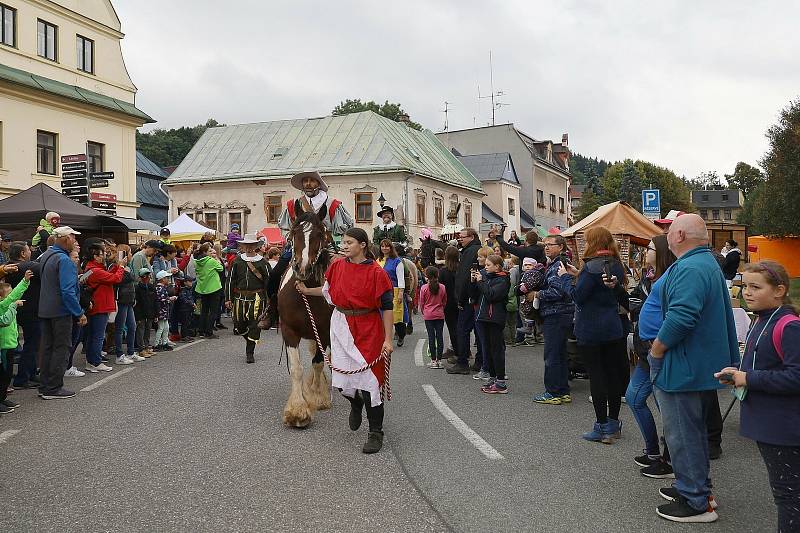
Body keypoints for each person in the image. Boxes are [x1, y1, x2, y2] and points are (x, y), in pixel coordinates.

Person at [648, 213, 738, 523]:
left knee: (683, 434)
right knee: (693, 432)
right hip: (696, 363)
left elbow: (683, 316)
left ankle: (695, 500)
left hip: (683, 363)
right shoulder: (706, 263)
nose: (666, 236)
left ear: (681, 236)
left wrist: (657, 349)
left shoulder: (689, 267)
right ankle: (697, 488)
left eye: (669, 231)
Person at [715, 260, 800, 531]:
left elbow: (796, 376)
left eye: (756, 287)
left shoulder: (788, 326)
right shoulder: (762, 320)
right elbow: (765, 365)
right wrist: (738, 372)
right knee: (786, 492)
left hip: (783, 427)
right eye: (745, 286)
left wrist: (748, 378)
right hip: (769, 424)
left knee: (789, 495)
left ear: (779, 290)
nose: (747, 292)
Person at [295, 227, 393, 454]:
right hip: (340, 326)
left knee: (370, 383)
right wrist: (307, 291)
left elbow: (387, 307)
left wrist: (388, 339)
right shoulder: (337, 266)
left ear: (363, 245)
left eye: (350, 242)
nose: (345, 245)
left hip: (368, 328)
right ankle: (355, 402)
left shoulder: (377, 273)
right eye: (344, 242)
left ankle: (375, 432)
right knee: (342, 383)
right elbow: (329, 291)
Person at [558, 226, 629, 442]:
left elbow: (578, 296)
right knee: (613, 375)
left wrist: (564, 278)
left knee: (597, 377)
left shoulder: (590, 267)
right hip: (613, 327)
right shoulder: (616, 264)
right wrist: (577, 274)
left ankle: (602, 427)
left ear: (593, 242)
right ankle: (614, 423)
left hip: (590, 328)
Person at [263, 171, 355, 329]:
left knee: (345, 273)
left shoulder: (332, 204)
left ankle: (351, 308)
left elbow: (342, 230)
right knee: (275, 274)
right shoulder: (293, 205)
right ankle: (272, 310)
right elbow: (285, 228)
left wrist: (338, 249)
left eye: (312, 181)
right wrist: (293, 240)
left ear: (319, 184)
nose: (308, 184)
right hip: (298, 247)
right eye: (305, 181)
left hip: (327, 248)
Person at [626, 234, 677, 476]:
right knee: (634, 399)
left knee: (667, 410)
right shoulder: (647, 278)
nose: (645, 253)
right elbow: (633, 302)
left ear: (662, 252)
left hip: (659, 353)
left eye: (649, 249)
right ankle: (653, 451)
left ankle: (670, 460)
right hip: (645, 352)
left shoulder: (670, 279)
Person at [37, 226, 86, 399]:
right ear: (65, 238)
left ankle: (44, 385)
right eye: (73, 237)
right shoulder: (64, 260)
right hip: (60, 311)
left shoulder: (47, 255)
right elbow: (67, 290)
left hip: (45, 309)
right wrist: (79, 312)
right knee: (61, 348)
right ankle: (53, 388)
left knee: (48, 348)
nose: (74, 241)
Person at [532, 234, 574, 405]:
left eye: (550, 244)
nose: (546, 247)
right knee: (560, 353)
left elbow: (557, 292)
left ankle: (553, 392)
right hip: (561, 314)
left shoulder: (558, 265)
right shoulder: (558, 263)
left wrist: (537, 294)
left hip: (556, 314)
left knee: (552, 354)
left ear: (561, 247)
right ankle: (563, 390)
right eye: (545, 245)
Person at [225, 234, 269, 363]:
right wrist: (228, 298)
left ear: (256, 246)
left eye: (251, 245)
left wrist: (269, 299)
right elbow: (230, 280)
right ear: (243, 246)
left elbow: (268, 281)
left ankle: (250, 352)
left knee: (255, 326)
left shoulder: (263, 262)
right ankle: (249, 339)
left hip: (257, 298)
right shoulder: (237, 261)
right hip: (239, 297)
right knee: (239, 326)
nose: (249, 248)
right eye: (246, 246)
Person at [4, 242, 43, 389]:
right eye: (28, 250)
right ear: (22, 254)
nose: (30, 252)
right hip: (30, 311)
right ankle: (22, 378)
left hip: (20, 310)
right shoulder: (26, 266)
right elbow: (43, 267)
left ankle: (31, 374)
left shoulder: (9, 267)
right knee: (31, 345)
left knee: (31, 344)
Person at [472, 254, 511, 394]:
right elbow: (478, 294)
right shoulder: (488, 277)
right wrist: (474, 282)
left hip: (494, 318)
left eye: (488, 265)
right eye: (485, 265)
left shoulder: (503, 279)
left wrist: (481, 282)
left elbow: (492, 295)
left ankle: (501, 382)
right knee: (487, 349)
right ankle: (493, 377)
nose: (485, 267)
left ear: (497, 266)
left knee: (496, 350)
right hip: (483, 317)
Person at [84, 243, 125, 371]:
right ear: (95, 256)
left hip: (98, 304)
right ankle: (95, 362)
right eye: (102, 254)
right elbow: (115, 278)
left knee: (93, 335)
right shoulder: (95, 270)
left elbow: (107, 276)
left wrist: (117, 266)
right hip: (100, 305)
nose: (104, 256)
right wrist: (121, 267)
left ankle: (92, 361)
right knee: (98, 335)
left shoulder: (92, 268)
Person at [446, 228, 482, 375]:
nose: (460, 239)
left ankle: (462, 362)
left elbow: (463, 278)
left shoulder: (469, 252)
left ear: (472, 237)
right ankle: (480, 361)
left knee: (462, 330)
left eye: (462, 237)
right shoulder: (476, 249)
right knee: (478, 332)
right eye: (459, 237)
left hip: (468, 298)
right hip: (476, 297)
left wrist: (460, 298)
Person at [0, 271, 31, 412]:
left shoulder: (7, 303)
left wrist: (24, 281)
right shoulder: (3, 306)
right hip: (4, 346)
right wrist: (14, 305)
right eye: (9, 291)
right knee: (3, 375)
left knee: (7, 375)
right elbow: (13, 299)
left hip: (10, 344)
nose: (12, 294)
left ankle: (3, 398)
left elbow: (15, 295)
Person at [113, 248, 143, 363]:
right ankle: (119, 354)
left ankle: (130, 352)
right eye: (129, 253)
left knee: (132, 326)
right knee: (120, 328)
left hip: (129, 299)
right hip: (121, 300)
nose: (131, 255)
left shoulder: (128, 267)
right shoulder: (116, 267)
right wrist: (121, 266)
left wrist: (133, 297)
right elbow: (118, 281)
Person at [378, 239, 408, 347]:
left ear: (391, 248)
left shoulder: (397, 261)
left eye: (387, 246)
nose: (384, 248)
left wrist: (400, 292)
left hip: (394, 290)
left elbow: (401, 278)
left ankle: (401, 335)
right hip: (381, 291)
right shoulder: (378, 261)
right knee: (381, 315)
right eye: (382, 246)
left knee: (396, 315)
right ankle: (385, 338)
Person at [193, 243, 224, 338]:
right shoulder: (211, 261)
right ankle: (209, 331)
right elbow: (221, 268)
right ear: (205, 252)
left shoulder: (196, 261)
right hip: (214, 288)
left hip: (203, 288)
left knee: (204, 310)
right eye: (210, 251)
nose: (212, 253)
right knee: (213, 311)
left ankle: (201, 330)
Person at [420, 266, 447, 369]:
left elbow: (422, 303)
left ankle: (433, 360)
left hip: (428, 315)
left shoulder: (424, 288)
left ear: (427, 276)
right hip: (439, 314)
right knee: (439, 336)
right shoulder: (443, 287)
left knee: (431, 337)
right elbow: (444, 301)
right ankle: (440, 360)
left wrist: (424, 312)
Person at [438, 246, 459, 360]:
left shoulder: (443, 271)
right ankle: (463, 350)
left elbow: (440, 289)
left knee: (453, 329)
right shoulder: (461, 269)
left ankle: (457, 353)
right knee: (461, 328)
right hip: (460, 301)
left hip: (448, 303)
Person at [134, 268, 156, 357]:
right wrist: (138, 316)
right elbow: (136, 304)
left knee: (148, 330)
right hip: (141, 313)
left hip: (150, 312)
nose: (146, 277)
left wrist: (155, 313)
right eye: (144, 276)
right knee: (141, 330)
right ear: (140, 277)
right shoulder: (137, 288)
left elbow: (154, 300)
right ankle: (141, 349)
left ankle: (146, 347)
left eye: (147, 275)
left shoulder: (151, 287)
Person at [153, 271, 176, 352]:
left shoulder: (163, 288)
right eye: (166, 278)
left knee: (166, 327)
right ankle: (156, 344)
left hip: (164, 311)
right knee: (161, 328)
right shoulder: (159, 288)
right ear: (162, 279)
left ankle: (164, 343)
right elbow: (160, 300)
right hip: (161, 311)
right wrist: (170, 299)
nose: (168, 279)